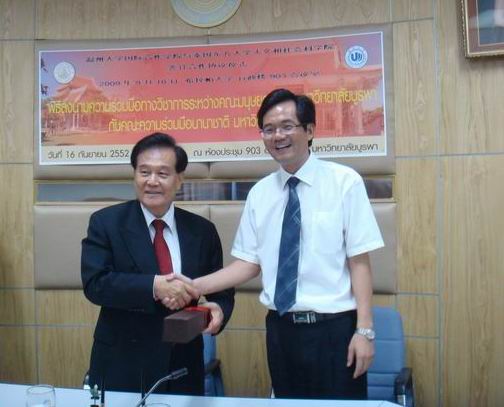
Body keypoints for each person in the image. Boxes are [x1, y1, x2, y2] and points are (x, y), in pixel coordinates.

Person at [167, 88, 384, 399]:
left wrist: (365, 331)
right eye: (268, 129)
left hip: (334, 330)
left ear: (310, 130)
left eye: (286, 126)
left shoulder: (344, 182)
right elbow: (248, 264)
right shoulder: (260, 194)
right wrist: (193, 286)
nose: (277, 136)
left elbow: (359, 262)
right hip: (281, 330)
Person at [81, 133, 234, 395]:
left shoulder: (202, 231)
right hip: (123, 363)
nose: (152, 181)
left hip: (183, 365)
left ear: (179, 179)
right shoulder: (106, 223)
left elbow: (222, 291)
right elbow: (96, 284)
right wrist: (155, 286)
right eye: (144, 172)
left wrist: (219, 309)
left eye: (162, 173)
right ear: (134, 175)